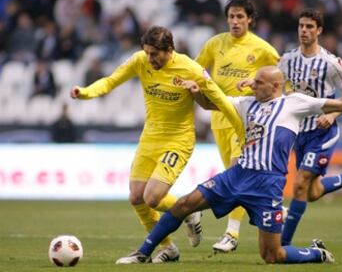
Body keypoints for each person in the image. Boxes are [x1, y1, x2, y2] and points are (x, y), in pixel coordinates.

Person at [118, 62, 342, 265]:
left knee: (272, 256)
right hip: (237, 174)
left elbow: (341, 103)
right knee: (183, 205)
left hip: (268, 185)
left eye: (258, 82)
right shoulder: (244, 103)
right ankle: (143, 252)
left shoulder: (295, 103)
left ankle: (317, 253)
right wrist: (196, 92)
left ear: (275, 86)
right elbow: (210, 104)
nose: (252, 85)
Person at [70, 26, 244, 264]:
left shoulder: (191, 69)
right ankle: (169, 248)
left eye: (155, 54)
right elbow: (111, 81)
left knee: (152, 198)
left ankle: (188, 210)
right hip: (150, 138)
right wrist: (85, 92)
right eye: (147, 52)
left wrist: (242, 133)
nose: (149, 59)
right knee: (135, 198)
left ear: (169, 50)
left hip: (178, 140)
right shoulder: (140, 60)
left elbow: (222, 102)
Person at [277, 8, 342, 246]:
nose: (304, 31)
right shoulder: (287, 60)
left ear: (319, 30)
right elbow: (277, 87)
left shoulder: (331, 63)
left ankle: (284, 246)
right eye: (301, 26)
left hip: (323, 131)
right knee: (312, 192)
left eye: (309, 27)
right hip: (300, 132)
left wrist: (333, 114)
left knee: (299, 186)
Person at [195, 0, 280, 253]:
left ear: (250, 19)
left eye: (240, 17)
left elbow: (279, 80)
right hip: (219, 119)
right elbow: (196, 71)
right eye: (231, 16)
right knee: (233, 179)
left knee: (238, 173)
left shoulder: (262, 48)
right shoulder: (214, 44)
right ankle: (197, 209)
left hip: (247, 119)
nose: (234, 21)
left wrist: (255, 83)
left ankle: (231, 233)